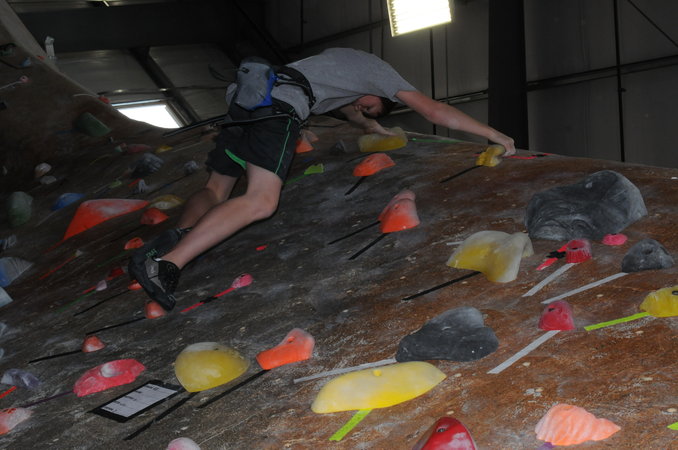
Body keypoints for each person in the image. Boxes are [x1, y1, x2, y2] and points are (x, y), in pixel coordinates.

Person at [129, 47, 516, 310]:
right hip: (276, 112)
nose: (364, 108)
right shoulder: (380, 73)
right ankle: (166, 264)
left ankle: (178, 241)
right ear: (381, 93)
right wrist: (494, 134)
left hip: (245, 103)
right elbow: (433, 111)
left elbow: (350, 109)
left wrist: (371, 126)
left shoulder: (340, 63)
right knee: (262, 201)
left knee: (216, 187)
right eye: (373, 106)